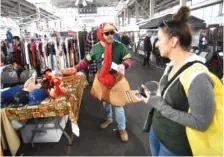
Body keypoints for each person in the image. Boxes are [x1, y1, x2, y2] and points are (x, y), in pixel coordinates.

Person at [142, 6, 218, 156]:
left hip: (175, 146)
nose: (156, 43)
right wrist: (156, 94)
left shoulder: (198, 76)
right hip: (157, 132)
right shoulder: (171, 66)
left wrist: (159, 105)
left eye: (159, 39)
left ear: (173, 41)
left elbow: (201, 123)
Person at [62, 23, 133, 142]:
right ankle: (109, 118)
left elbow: (129, 59)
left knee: (118, 104)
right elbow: (86, 61)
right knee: (105, 102)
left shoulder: (119, 46)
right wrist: (75, 68)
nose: (110, 35)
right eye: (107, 33)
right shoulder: (95, 48)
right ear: (101, 34)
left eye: (112, 32)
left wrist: (124, 64)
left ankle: (122, 128)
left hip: (116, 79)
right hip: (102, 80)